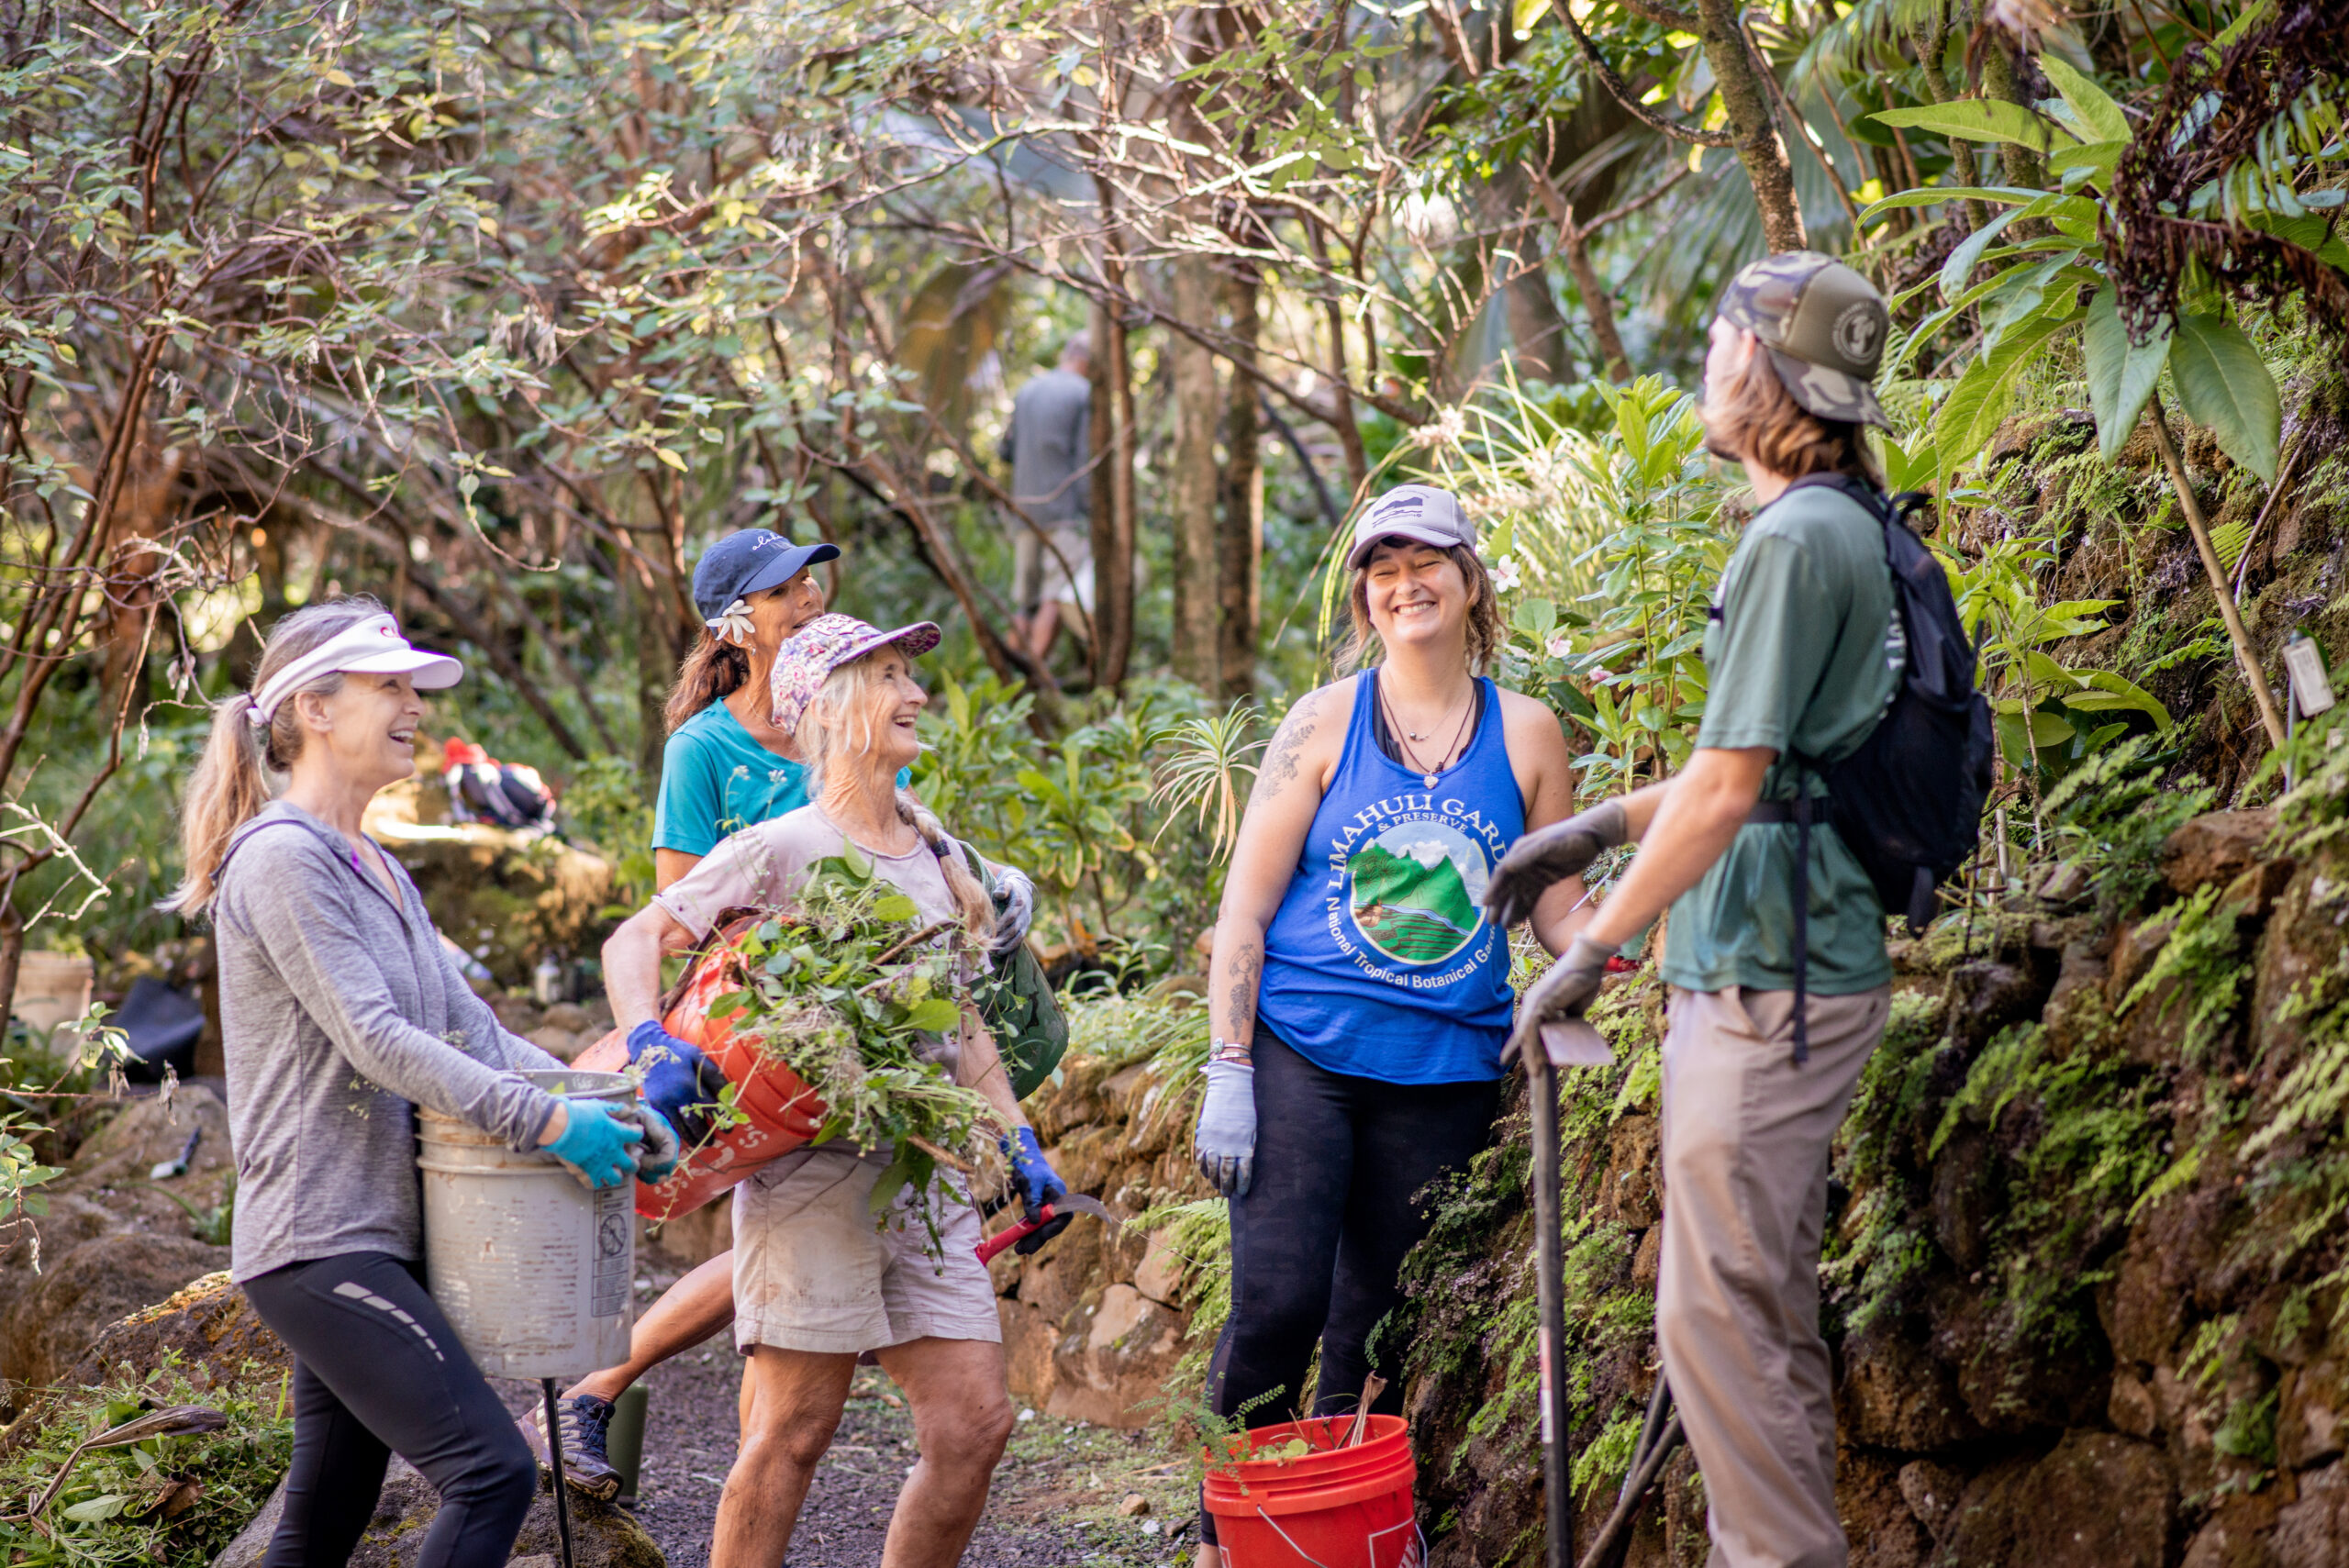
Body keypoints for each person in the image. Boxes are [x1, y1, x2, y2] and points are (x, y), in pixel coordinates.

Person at [1484, 252, 1901, 1568]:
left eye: (1721, 338)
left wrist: (1587, 950)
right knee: (1742, 1319)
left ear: (1760, 367)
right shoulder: (1835, 525)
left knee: (1719, 1323)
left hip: (1769, 982)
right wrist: (1598, 823)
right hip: (1778, 966)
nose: (1705, 362)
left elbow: (1729, 792)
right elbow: (1764, 761)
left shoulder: (1795, 538)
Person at [165, 598, 670, 1568]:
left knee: (324, 1515)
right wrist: (549, 1122)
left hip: (371, 1238)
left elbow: (470, 1030)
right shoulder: (279, 857)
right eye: (388, 685)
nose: (413, 706)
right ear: (315, 705)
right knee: (493, 1473)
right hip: (318, 1242)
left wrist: (614, 1105)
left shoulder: (380, 868)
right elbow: (377, 1039)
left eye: (413, 686)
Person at [540, 528, 1036, 1497]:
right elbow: (682, 920)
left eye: (811, 578)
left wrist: (982, 883)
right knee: (783, 1376)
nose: (807, 595)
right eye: (783, 588)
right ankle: (595, 1388)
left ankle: (603, 1395)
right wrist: (661, 1044)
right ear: (740, 619)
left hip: (867, 1071)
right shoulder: (707, 747)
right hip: (753, 1054)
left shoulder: (865, 715)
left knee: (813, 1369)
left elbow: (901, 875)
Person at [1188, 484, 1589, 1565]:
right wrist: (1227, 1064)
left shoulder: (1529, 731)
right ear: (1365, 597)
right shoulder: (1322, 719)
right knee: (1276, 1298)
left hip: (1447, 1070)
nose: (1403, 583)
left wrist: (1653, 925)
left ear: (1470, 581)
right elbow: (1245, 908)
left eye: (1425, 563)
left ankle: (1337, 1531)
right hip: (1300, 1052)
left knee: (1376, 1327)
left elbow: (1556, 909)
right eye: (1381, 568)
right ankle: (1232, 1531)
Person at [997, 331, 1094, 662]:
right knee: (1054, 595)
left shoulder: (1028, 389)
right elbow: (1085, 459)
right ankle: (1036, 680)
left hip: (1024, 509)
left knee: (1025, 600)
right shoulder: (1083, 393)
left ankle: (1007, 687)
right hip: (1063, 511)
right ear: (1088, 362)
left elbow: (1005, 449)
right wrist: (1089, 511)